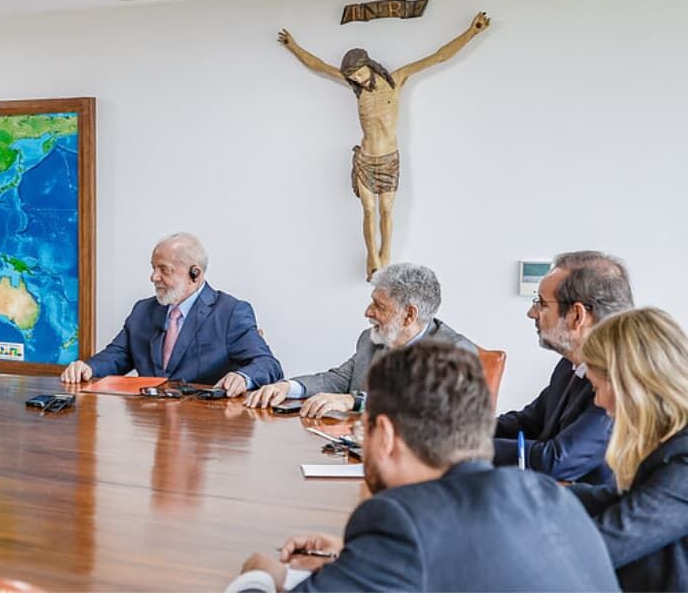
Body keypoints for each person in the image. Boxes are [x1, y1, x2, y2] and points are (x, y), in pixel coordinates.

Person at [228, 341, 618, 592]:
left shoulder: (399, 521)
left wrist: (262, 575)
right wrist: (361, 556)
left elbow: (419, 542)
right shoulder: (552, 497)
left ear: (383, 434)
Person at [278, 13, 489, 279]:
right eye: (352, 77)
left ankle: (385, 254)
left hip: (389, 158)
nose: (356, 80)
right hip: (366, 157)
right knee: (368, 209)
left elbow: (438, 56)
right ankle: (373, 256)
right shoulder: (356, 87)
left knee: (387, 210)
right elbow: (318, 65)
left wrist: (472, 31)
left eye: (359, 74)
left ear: (369, 65)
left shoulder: (397, 79)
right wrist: (293, 46)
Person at [60, 233, 282, 395]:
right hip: (149, 425)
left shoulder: (230, 312)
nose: (153, 277)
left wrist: (243, 378)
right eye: (153, 268)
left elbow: (267, 364)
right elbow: (118, 355)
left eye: (163, 270)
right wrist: (88, 367)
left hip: (204, 428)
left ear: (195, 274)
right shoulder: (143, 310)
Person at [242, 262, 475, 417]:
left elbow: (427, 407)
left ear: (409, 315)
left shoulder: (455, 351)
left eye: (379, 306)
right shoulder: (372, 339)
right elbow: (338, 379)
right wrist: (287, 387)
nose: (368, 312)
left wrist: (353, 402)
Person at [572, 307, 688, 591]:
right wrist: (540, 494)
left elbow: (605, 545)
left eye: (597, 388)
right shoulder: (671, 443)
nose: (597, 402)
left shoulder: (683, 460)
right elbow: (629, 499)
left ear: (629, 386)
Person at [494, 250, 634, 485]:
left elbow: (557, 460)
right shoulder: (569, 365)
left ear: (577, 315)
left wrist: (470, 448)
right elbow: (528, 422)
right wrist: (462, 431)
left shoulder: (620, 380)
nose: (532, 313)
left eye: (541, 303)